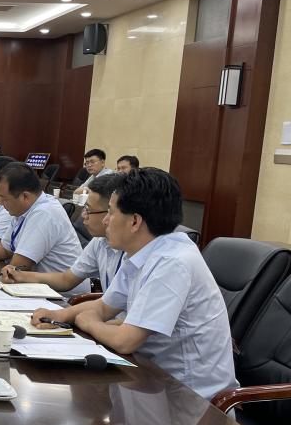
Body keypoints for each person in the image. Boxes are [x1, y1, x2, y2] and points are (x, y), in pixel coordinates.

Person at [31, 168, 235, 400]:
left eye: (110, 212)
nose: (105, 221)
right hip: (148, 379)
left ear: (135, 221)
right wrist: (59, 315)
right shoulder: (141, 253)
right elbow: (104, 307)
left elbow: (125, 341)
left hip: (190, 398)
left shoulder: (173, 263)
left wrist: (86, 322)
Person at [1, 173, 123, 295]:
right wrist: (21, 275)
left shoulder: (129, 251)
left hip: (69, 297)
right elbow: (66, 279)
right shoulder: (99, 242)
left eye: (88, 210)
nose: (83, 215)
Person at [0, 162, 89, 296]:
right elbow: (5, 249)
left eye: (4, 198)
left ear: (25, 196)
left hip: (63, 297)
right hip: (37, 288)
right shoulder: (23, 209)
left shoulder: (45, 212)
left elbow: (18, 267)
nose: (0, 203)